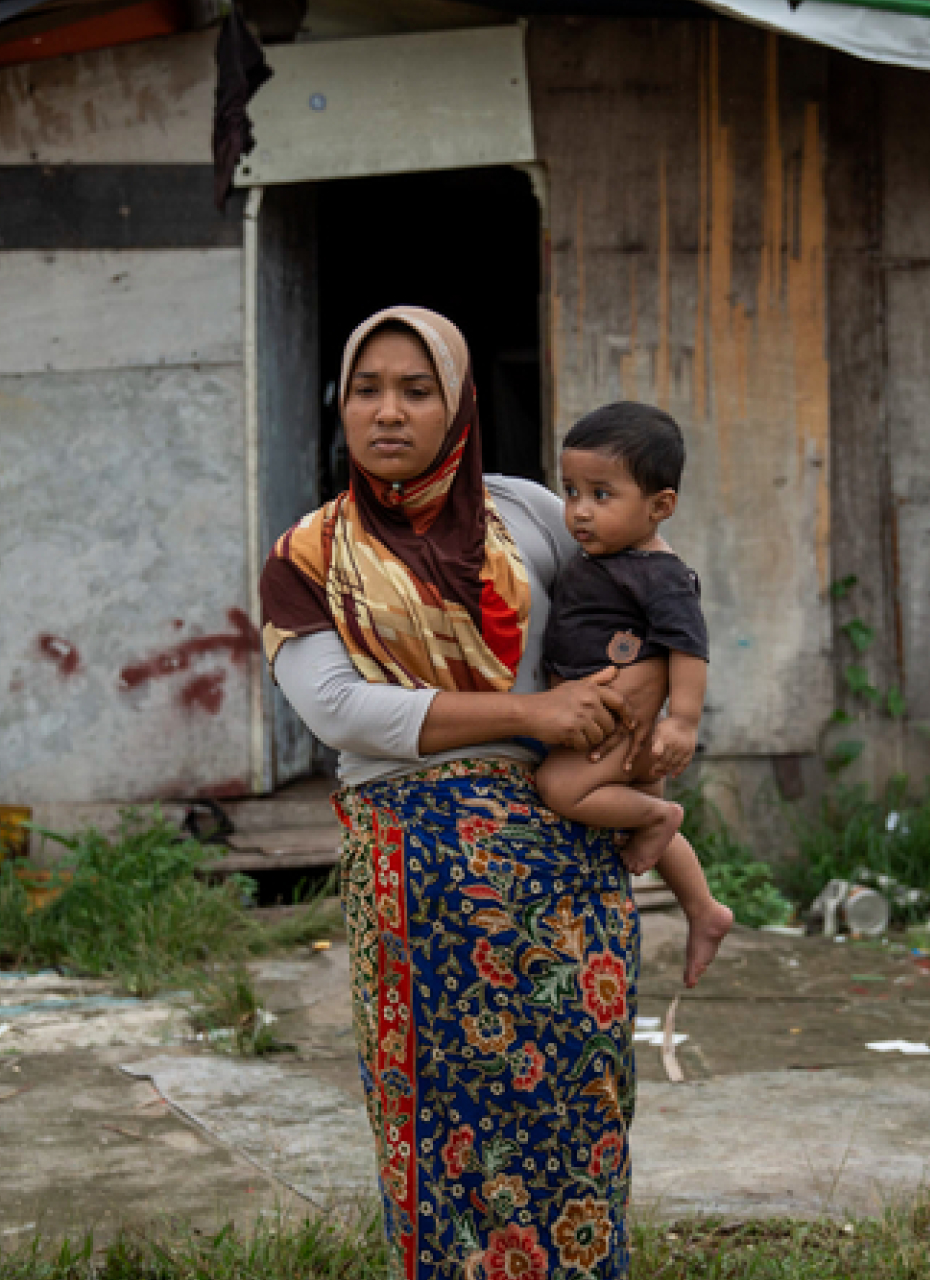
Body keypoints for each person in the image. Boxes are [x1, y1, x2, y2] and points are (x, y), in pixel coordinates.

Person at [264, 306, 654, 1280]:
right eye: (367, 388)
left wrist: (638, 712)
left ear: (458, 402)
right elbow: (343, 711)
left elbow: (634, 605)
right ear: (341, 405)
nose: (387, 410)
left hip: (564, 854)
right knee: (439, 1109)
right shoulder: (308, 555)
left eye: (415, 387)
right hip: (417, 876)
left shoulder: (527, 513)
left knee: (579, 1091)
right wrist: (530, 713)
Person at [530, 401, 736, 987]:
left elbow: (688, 649)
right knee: (632, 825)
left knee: (560, 788)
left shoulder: (660, 574)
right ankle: (704, 908)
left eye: (601, 495)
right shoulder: (605, 559)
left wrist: (683, 722)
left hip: (625, 724)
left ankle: (659, 815)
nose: (579, 512)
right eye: (571, 492)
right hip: (606, 715)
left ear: (660, 506)